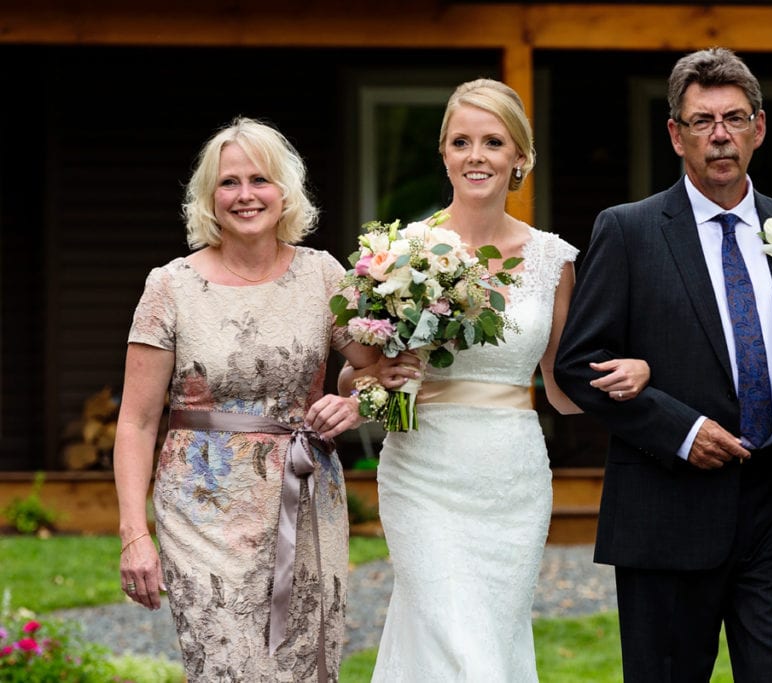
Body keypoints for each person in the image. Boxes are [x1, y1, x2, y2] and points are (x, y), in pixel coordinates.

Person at [554, 48, 772, 682]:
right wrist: (681, 428)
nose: (720, 135)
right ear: (676, 135)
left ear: (759, 127)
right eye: (702, 121)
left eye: (733, 118)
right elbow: (577, 365)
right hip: (667, 509)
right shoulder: (629, 231)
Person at [341, 78, 650, 682]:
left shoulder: (554, 260)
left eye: (492, 141)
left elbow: (563, 387)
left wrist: (635, 375)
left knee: (491, 638)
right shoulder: (399, 254)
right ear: (445, 153)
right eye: (461, 141)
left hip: (512, 480)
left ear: (520, 158)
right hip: (422, 472)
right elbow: (361, 376)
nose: (476, 155)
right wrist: (380, 378)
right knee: (451, 636)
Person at [113, 116, 380, 682]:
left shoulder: (324, 276)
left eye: (259, 180)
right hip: (202, 509)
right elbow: (136, 422)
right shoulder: (170, 285)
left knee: (304, 666)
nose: (245, 195)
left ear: (284, 191)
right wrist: (135, 534)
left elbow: (381, 374)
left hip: (307, 500)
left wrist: (355, 405)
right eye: (229, 182)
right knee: (227, 666)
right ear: (209, 197)